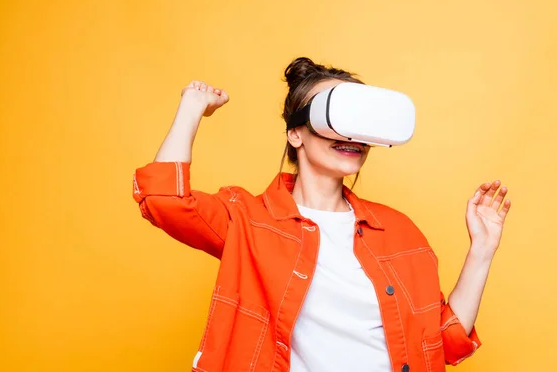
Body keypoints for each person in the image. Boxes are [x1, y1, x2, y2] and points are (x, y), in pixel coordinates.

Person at [132, 57, 511, 372]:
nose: (351, 134)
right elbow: (163, 198)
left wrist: (482, 249)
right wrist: (192, 106)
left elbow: (446, 342)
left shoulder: (398, 231)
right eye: (336, 115)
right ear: (296, 134)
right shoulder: (248, 219)